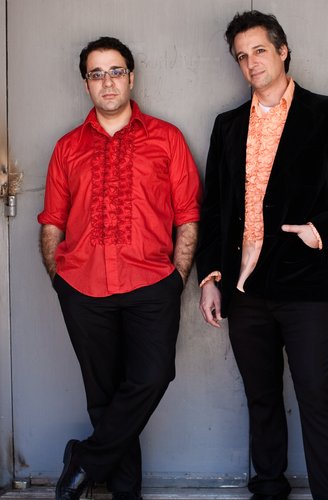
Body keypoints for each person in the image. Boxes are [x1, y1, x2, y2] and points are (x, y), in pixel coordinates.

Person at [196, 11, 328, 500]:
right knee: (261, 397)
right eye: (241, 56)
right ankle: (268, 488)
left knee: (315, 394)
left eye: (259, 51)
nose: (251, 63)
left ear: (282, 50)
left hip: (304, 283)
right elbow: (214, 209)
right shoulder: (228, 125)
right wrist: (210, 278)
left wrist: (321, 231)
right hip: (244, 286)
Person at [38, 36, 202, 500]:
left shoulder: (167, 138)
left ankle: (85, 460)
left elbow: (188, 214)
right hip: (82, 287)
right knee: (103, 396)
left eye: (115, 72)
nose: (107, 82)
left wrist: (177, 279)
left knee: (153, 376)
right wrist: (61, 282)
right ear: (86, 84)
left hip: (152, 284)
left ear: (131, 77)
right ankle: (126, 493)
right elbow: (52, 221)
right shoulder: (67, 147)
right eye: (96, 74)